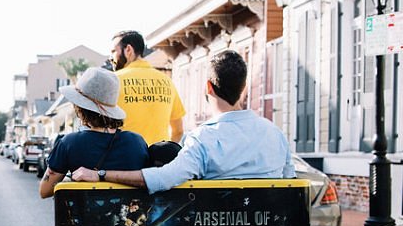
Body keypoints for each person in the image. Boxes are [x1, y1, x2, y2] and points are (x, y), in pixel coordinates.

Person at [72, 50, 293, 191]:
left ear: (208, 87)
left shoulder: (203, 139)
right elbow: (290, 185)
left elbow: (163, 178)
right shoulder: (274, 134)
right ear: (244, 89)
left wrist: (99, 175)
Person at [39, 66, 149, 198]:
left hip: (86, 217)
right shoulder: (137, 142)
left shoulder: (69, 143)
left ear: (80, 108)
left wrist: (70, 180)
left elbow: (44, 191)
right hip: (131, 217)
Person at [111, 30, 185, 144]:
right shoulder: (166, 81)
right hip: (157, 159)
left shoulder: (114, 80)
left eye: (113, 51)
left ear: (128, 50)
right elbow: (178, 131)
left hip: (125, 157)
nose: (111, 58)